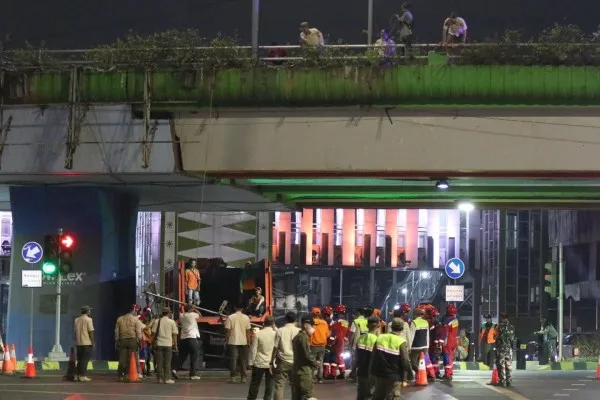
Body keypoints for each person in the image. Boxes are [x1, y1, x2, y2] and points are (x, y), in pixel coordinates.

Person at [370, 318, 411, 400]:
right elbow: (405, 361)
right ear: (402, 329)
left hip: (379, 374)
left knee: (378, 396)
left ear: (391, 327)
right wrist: (409, 374)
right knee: (393, 397)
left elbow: (373, 356)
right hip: (394, 376)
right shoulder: (401, 342)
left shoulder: (380, 338)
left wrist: (372, 371)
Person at [272, 311, 300, 400]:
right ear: (295, 320)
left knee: (279, 385)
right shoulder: (299, 331)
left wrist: (272, 360)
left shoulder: (280, 331)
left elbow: (275, 347)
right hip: (295, 361)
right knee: (295, 385)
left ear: (285, 319)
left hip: (282, 361)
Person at [247, 316, 277, 400]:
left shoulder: (258, 334)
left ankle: (251, 398)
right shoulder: (276, 334)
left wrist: (250, 362)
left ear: (264, 323)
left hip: (259, 362)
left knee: (255, 384)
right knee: (269, 385)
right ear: (273, 324)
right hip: (271, 363)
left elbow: (253, 350)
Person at [291, 316, 320, 400]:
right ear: (305, 325)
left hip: (296, 370)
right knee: (308, 396)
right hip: (304, 372)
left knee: (296, 397)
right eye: (312, 325)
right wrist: (315, 363)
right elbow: (307, 354)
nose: (313, 328)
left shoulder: (297, 337)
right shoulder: (303, 337)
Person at [115, 304, 144, 382]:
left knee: (122, 359)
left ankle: (120, 375)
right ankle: (129, 375)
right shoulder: (135, 319)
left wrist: (117, 340)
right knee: (131, 358)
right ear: (133, 310)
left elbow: (117, 331)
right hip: (132, 340)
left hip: (122, 340)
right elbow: (138, 332)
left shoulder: (119, 319)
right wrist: (139, 340)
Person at [224, 303, 252, 384]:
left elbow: (227, 331)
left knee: (233, 360)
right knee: (243, 360)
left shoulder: (230, 317)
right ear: (242, 309)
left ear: (235, 307)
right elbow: (248, 331)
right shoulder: (246, 318)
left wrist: (226, 340)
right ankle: (243, 377)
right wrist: (249, 341)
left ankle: (233, 377)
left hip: (233, 341)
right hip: (243, 341)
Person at [152, 307, 179, 384]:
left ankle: (160, 379)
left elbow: (153, 334)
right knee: (167, 362)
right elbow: (174, 335)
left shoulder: (157, 321)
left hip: (159, 344)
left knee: (159, 362)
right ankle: (167, 378)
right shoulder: (172, 322)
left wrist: (152, 342)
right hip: (168, 344)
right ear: (168, 313)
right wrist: (176, 344)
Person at [356, 316, 380, 400]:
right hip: (371, 373)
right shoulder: (377, 340)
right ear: (378, 325)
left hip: (361, 371)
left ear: (367, 325)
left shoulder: (360, 338)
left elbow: (356, 356)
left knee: (360, 394)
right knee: (369, 395)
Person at [326, 304, 349, 379]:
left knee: (334, 357)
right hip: (342, 341)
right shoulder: (346, 322)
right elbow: (347, 333)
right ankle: (342, 372)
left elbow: (334, 332)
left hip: (336, 341)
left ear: (337, 313)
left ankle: (333, 373)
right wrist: (345, 341)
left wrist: (330, 342)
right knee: (340, 357)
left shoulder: (336, 322)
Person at [178, 304, 201, 380]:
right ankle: (193, 374)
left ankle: (174, 369)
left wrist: (191, 308)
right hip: (192, 337)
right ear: (191, 309)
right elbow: (200, 316)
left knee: (182, 355)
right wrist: (195, 309)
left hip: (183, 338)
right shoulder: (193, 315)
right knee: (195, 355)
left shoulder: (181, 315)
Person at [74, 305, 95, 382]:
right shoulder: (89, 320)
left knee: (79, 360)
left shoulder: (76, 320)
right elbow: (91, 332)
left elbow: (75, 331)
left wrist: (76, 340)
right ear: (87, 311)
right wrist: (93, 342)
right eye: (89, 310)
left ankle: (77, 375)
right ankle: (83, 375)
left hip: (79, 342)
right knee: (85, 360)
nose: (90, 311)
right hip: (86, 342)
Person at [348, 307, 369, 380]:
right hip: (366, 342)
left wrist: (349, 342)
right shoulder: (367, 321)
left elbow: (352, 333)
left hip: (357, 342)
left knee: (354, 358)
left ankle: (354, 373)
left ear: (358, 313)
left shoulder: (355, 321)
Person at [494, 313, 515, 387]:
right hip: (508, 348)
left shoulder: (499, 326)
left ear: (501, 318)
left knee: (501, 364)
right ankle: (509, 381)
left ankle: (502, 381)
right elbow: (512, 338)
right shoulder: (512, 327)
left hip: (501, 347)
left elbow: (495, 336)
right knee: (508, 364)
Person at [310, 307, 330, 384]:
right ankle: (320, 378)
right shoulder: (324, 322)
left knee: (312, 361)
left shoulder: (311, 322)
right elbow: (327, 334)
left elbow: (309, 333)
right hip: (322, 345)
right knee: (320, 361)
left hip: (313, 345)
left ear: (313, 313)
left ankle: (311, 377)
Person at [441, 305, 459, 380]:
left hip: (448, 341)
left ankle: (447, 374)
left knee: (447, 357)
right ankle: (450, 373)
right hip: (454, 340)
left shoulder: (447, 320)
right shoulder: (455, 320)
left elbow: (446, 331)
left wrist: (443, 340)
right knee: (450, 357)